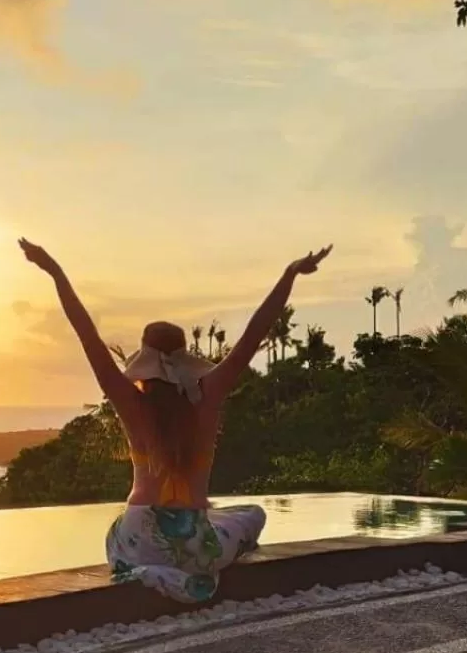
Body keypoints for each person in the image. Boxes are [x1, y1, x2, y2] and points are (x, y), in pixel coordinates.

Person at [17, 237, 331, 603]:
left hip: (137, 536)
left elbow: (86, 335)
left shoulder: (131, 403)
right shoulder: (208, 396)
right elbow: (254, 334)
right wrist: (290, 274)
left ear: (145, 361)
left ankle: (148, 571)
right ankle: (182, 574)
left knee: (124, 533)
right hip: (192, 544)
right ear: (185, 357)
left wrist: (54, 271)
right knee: (251, 515)